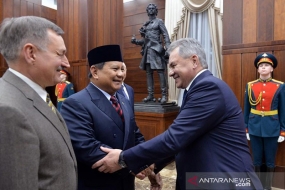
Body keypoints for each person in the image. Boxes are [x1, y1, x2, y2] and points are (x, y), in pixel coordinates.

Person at [92, 38, 263, 190]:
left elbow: (174, 138)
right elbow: (186, 138)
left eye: (174, 65)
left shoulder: (209, 88)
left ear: (194, 61)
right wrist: (154, 165)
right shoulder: (196, 89)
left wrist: (123, 158)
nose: (170, 72)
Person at [60, 45, 158, 190]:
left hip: (126, 183)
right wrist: (130, 163)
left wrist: (145, 159)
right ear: (94, 71)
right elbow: (86, 147)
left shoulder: (123, 99)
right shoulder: (76, 103)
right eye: (115, 69)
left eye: (123, 69)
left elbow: (134, 133)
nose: (121, 74)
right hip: (99, 183)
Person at [0, 16, 77, 189]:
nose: (67, 63)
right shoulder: (9, 111)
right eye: (60, 53)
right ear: (31, 53)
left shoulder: (34, 95)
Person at [244, 53, 285, 190]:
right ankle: (257, 186)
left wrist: (283, 131)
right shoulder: (250, 86)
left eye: (266, 65)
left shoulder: (280, 86)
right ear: (257, 69)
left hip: (272, 127)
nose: (263, 68)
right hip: (254, 127)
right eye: (261, 65)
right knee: (256, 160)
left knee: (270, 161)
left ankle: (267, 187)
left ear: (272, 69)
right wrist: (246, 129)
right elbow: (246, 109)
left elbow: (283, 110)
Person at [131, 3, 171, 104]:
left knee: (160, 72)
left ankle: (164, 96)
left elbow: (165, 35)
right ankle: (151, 95)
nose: (151, 10)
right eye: (150, 8)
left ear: (156, 11)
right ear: (147, 11)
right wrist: (136, 41)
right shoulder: (146, 24)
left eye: (153, 8)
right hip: (147, 51)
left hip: (156, 50)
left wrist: (168, 48)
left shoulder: (159, 22)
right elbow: (145, 40)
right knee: (149, 73)